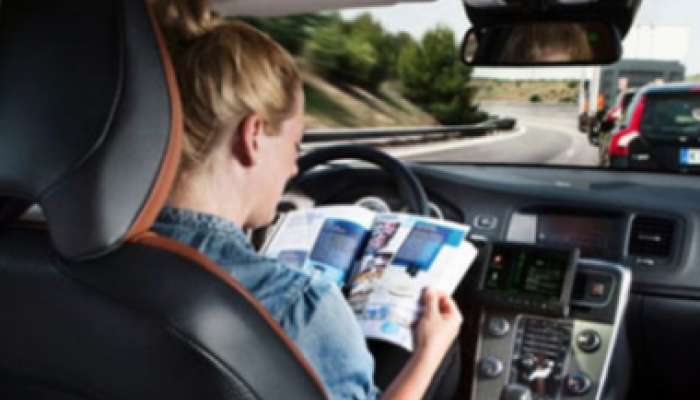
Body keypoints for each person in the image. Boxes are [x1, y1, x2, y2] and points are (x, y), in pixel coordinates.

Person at [150, 1, 463, 400]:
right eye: (295, 145)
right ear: (253, 137)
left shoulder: (85, 256)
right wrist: (430, 350)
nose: (293, 169)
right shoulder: (299, 305)